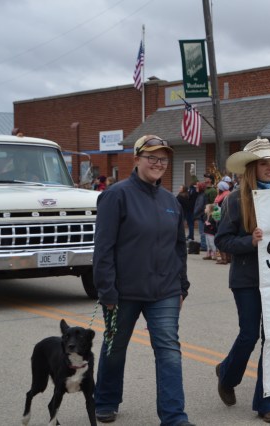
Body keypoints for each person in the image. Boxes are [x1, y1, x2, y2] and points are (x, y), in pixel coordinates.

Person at [93, 135, 194, 426]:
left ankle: (174, 417)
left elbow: (179, 248)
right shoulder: (116, 195)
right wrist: (107, 291)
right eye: (152, 157)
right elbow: (103, 248)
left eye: (163, 159)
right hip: (123, 292)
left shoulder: (170, 201)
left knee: (169, 352)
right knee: (115, 348)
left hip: (165, 290)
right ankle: (106, 400)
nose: (158, 163)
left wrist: (182, 287)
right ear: (136, 159)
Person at [214, 137, 270, 424]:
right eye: (264, 164)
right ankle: (227, 374)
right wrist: (250, 241)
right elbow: (222, 240)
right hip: (247, 278)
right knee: (248, 335)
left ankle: (266, 402)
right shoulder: (236, 199)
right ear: (252, 168)